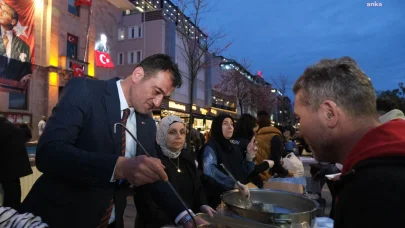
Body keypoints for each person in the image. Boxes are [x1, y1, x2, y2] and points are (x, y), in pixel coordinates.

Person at [19, 54, 206, 228]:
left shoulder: (147, 123)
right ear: (138, 74)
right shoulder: (85, 90)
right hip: (58, 219)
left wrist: (185, 215)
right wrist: (116, 168)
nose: (157, 103)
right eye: (156, 91)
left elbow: (153, 176)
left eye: (163, 97)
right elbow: (49, 153)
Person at [293, 56, 405, 227]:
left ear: (329, 113)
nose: (300, 130)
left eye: (299, 118)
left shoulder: (372, 193)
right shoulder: (378, 167)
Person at [135, 116, 215, 228]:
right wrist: (172, 222)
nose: (179, 136)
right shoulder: (152, 159)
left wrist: (203, 204)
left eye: (182, 132)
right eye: (172, 132)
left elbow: (197, 187)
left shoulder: (187, 159)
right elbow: (145, 202)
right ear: (161, 134)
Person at [198, 114, 256, 208]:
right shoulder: (211, 146)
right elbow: (209, 170)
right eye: (225, 124)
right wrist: (233, 184)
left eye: (232, 124)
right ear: (217, 126)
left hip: (234, 200)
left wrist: (249, 157)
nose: (230, 127)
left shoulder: (233, 147)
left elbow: (241, 174)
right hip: (215, 202)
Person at [232, 114, 274, 188]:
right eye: (255, 132)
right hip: (243, 185)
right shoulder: (247, 144)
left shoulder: (232, 141)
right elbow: (248, 170)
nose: (256, 134)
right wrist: (266, 164)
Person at [0, 117, 33, 209]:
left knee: (9, 196)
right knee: (13, 194)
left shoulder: (4, 127)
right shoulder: (8, 125)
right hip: (12, 168)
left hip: (8, 168)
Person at [255, 111, 294, 178]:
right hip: (265, 175)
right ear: (269, 121)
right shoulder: (275, 136)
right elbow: (276, 165)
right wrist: (288, 173)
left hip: (254, 173)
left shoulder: (255, 136)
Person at [0, 2, 31, 82]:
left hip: (12, 92)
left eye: (4, 12)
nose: (0, 13)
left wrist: (25, 78)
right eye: (1, 10)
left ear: (13, 22)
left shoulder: (24, 47)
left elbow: (26, 71)